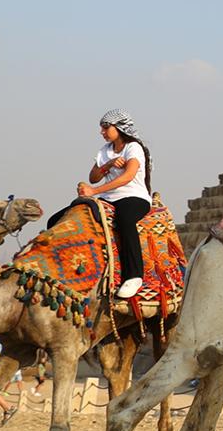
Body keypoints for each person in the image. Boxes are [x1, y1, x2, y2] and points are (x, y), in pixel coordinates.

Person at [56, 109, 155, 299]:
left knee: (125, 219)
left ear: (119, 127)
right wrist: (108, 165)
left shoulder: (133, 147)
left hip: (133, 197)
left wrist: (94, 192)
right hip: (108, 198)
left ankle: (134, 276)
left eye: (105, 127)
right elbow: (93, 177)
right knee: (62, 217)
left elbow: (128, 176)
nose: (102, 132)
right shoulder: (105, 151)